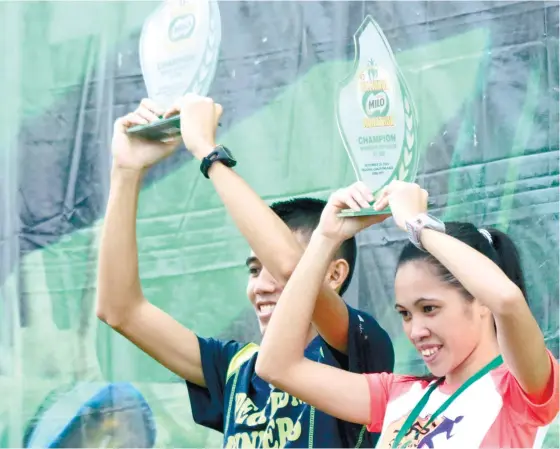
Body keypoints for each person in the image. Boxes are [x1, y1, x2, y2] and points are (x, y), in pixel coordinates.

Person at [96, 94, 394, 448]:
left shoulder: (358, 348)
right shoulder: (236, 369)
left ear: (333, 274)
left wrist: (208, 152)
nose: (261, 286)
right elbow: (120, 310)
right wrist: (126, 171)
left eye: (271, 270)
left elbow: (291, 269)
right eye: (254, 270)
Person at [255, 180, 559, 448]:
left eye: (429, 309)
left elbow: (506, 299)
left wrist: (419, 226)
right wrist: (325, 239)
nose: (415, 331)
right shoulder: (399, 395)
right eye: (406, 314)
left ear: (481, 300)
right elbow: (276, 365)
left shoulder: (521, 390)